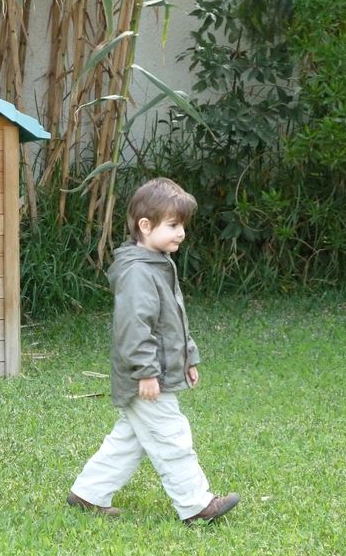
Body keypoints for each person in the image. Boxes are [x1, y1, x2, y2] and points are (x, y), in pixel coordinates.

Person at [66, 177, 239, 524]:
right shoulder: (138, 273)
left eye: (182, 226)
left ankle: (87, 494)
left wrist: (189, 357)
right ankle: (196, 506)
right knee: (172, 437)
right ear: (145, 226)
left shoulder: (160, 263)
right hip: (144, 374)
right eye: (173, 225)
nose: (181, 234)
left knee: (131, 439)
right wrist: (145, 372)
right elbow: (134, 328)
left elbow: (172, 319)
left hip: (156, 371)